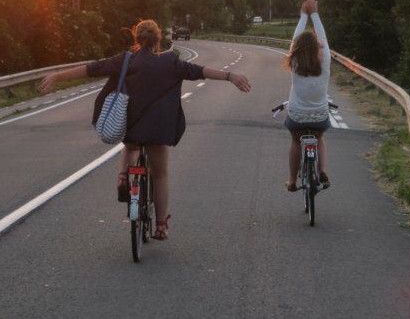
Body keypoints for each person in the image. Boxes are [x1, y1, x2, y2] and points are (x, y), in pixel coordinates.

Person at [39, 19, 251, 240]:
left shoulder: (125, 60)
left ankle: (123, 176)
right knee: (159, 175)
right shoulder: (172, 62)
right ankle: (160, 226)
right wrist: (230, 76)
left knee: (129, 146)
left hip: (132, 129)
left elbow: (90, 69)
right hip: (158, 131)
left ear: (136, 39)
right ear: (158, 39)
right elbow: (201, 71)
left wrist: (56, 76)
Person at [283, 0, 331, 191]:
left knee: (296, 141)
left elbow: (295, 39)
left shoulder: (294, 62)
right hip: (319, 114)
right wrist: (314, 14)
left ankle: (292, 181)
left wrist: (303, 15)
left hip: (297, 115)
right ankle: (322, 172)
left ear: (298, 49)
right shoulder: (325, 61)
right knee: (319, 139)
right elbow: (323, 38)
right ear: (317, 47)